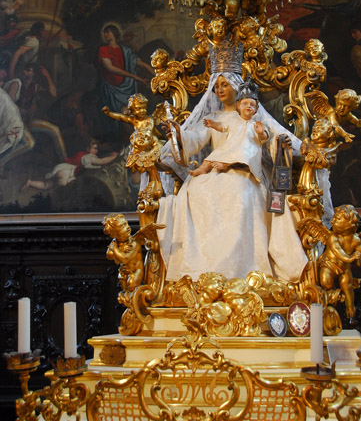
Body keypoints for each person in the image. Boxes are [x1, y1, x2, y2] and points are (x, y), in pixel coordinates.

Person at [157, 70, 309, 284]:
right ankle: (204, 268)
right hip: (213, 170)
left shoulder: (253, 118)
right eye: (216, 85)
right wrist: (178, 134)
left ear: (237, 88)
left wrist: (279, 143)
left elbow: (270, 138)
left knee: (240, 193)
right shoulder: (214, 118)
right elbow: (194, 139)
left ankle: (240, 269)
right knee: (196, 189)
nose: (219, 89)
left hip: (244, 172)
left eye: (224, 84)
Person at [190, 79, 269, 181]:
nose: (248, 106)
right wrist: (213, 124)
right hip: (231, 146)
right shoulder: (233, 120)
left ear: (256, 109)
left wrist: (261, 133)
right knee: (216, 154)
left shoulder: (256, 124)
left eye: (252, 105)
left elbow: (264, 138)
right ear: (239, 106)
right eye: (245, 104)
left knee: (242, 154)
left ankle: (226, 165)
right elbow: (223, 127)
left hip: (247, 149)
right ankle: (202, 169)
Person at [97, 23, 150, 138]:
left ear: (115, 33)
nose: (105, 34)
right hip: (111, 89)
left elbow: (140, 64)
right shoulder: (103, 49)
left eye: (108, 31)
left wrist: (156, 73)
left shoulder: (125, 51)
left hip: (127, 88)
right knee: (124, 113)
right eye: (105, 32)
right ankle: (131, 143)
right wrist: (134, 77)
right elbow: (110, 68)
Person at [20, 139, 118, 191]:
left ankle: (30, 183)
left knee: (47, 185)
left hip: (63, 171)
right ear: (88, 149)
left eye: (97, 149)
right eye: (94, 148)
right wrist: (113, 157)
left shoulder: (82, 155)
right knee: (64, 197)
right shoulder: (90, 157)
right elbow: (102, 161)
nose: (96, 150)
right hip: (69, 176)